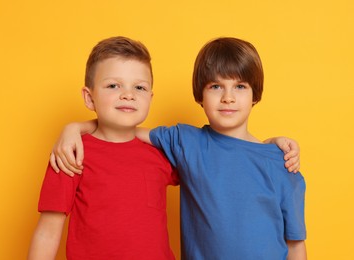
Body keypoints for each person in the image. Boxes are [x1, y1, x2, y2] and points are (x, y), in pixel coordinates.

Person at [51, 37, 306, 259]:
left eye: (240, 86)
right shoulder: (185, 141)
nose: (228, 97)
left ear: (255, 95)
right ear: (200, 95)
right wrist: (75, 128)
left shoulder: (282, 162)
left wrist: (272, 144)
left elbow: (295, 245)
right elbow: (121, 128)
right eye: (216, 86)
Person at [28, 36, 179, 260]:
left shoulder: (161, 152)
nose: (128, 94)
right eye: (113, 85)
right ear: (89, 98)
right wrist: (74, 130)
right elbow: (48, 232)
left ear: (150, 97)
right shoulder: (71, 153)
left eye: (139, 87)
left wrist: (75, 126)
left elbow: (209, 170)